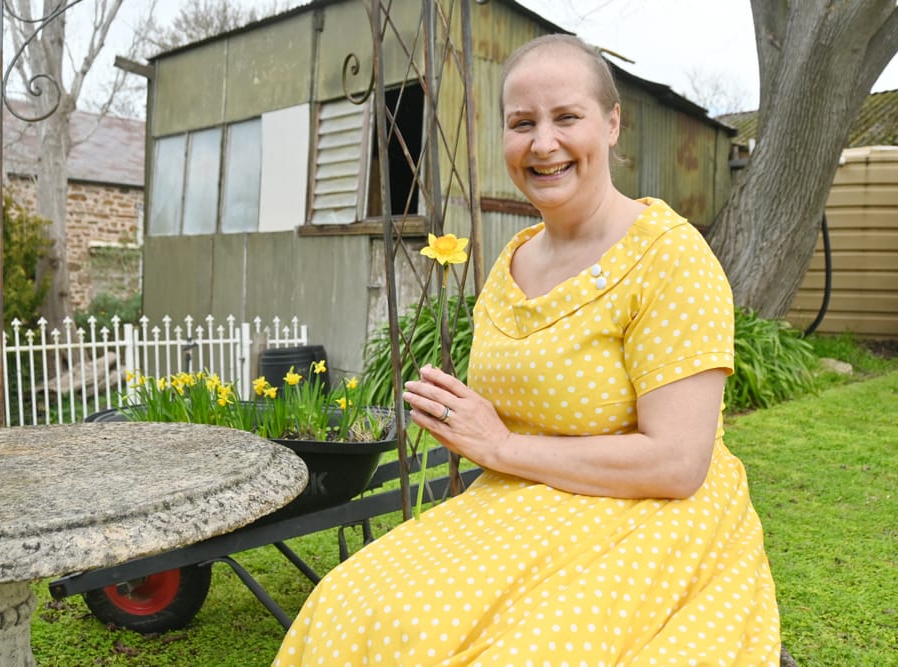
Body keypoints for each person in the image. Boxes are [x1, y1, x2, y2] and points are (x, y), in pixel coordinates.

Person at [274, 34, 781, 666]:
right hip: (520, 504)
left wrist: (503, 447)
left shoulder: (670, 258)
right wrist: (469, 423)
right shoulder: (512, 262)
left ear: (612, 124)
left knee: (525, 652)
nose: (543, 144)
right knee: (347, 604)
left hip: (649, 515)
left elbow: (677, 464)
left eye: (567, 117)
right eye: (522, 124)